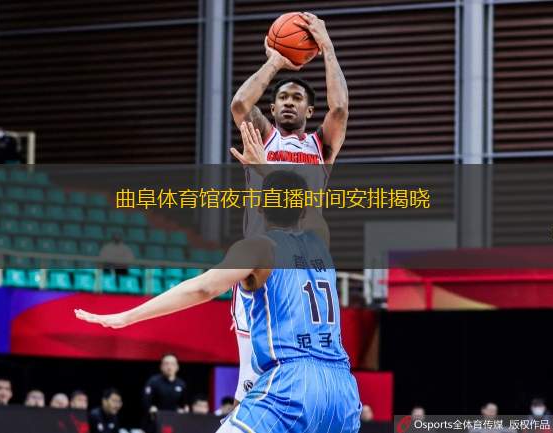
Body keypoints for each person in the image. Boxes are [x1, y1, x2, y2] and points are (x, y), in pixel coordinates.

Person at [75, 168, 361, 432]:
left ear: (260, 207)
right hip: (343, 390)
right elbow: (312, 212)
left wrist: (126, 316)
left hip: (293, 382)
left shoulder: (259, 248)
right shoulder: (321, 242)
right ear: (303, 209)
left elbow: (203, 288)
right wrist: (267, 170)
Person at [229, 11, 348, 405]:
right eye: (282, 97)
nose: (288, 103)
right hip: (260, 265)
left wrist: (327, 46)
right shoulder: (262, 138)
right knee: (250, 385)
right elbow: (240, 105)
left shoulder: (320, 146)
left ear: (309, 111)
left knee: (298, 380)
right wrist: (275, 62)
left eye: (297, 98)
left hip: (303, 271)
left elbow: (340, 110)